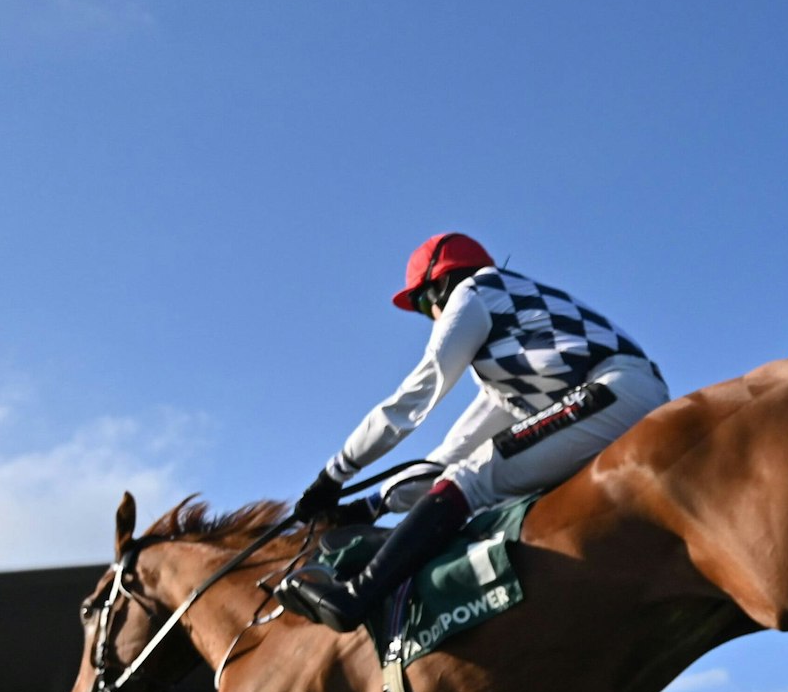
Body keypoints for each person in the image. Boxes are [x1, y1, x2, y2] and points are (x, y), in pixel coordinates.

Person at [276, 233, 670, 631]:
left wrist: (333, 476)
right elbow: (446, 458)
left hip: (616, 389)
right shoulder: (512, 363)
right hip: (616, 391)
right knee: (463, 474)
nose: (429, 316)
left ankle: (356, 597)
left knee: (471, 481)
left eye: (421, 303)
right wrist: (367, 507)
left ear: (441, 286)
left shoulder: (474, 292)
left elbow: (412, 400)